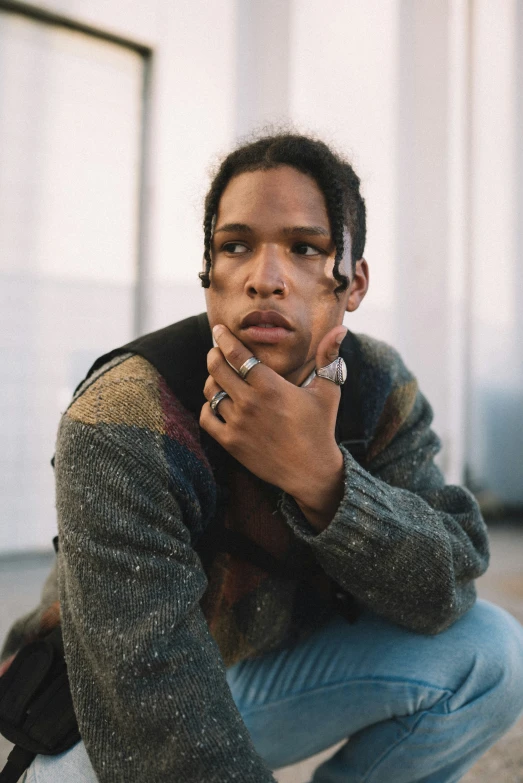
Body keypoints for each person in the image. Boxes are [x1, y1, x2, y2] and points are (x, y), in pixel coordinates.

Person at [5, 133, 523, 783]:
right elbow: (149, 696)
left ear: (352, 283)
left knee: (489, 651)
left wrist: (322, 479)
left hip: (257, 676)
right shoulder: (123, 419)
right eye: (236, 246)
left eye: (304, 248)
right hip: (107, 716)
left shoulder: (375, 387)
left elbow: (442, 590)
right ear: (208, 276)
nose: (265, 278)